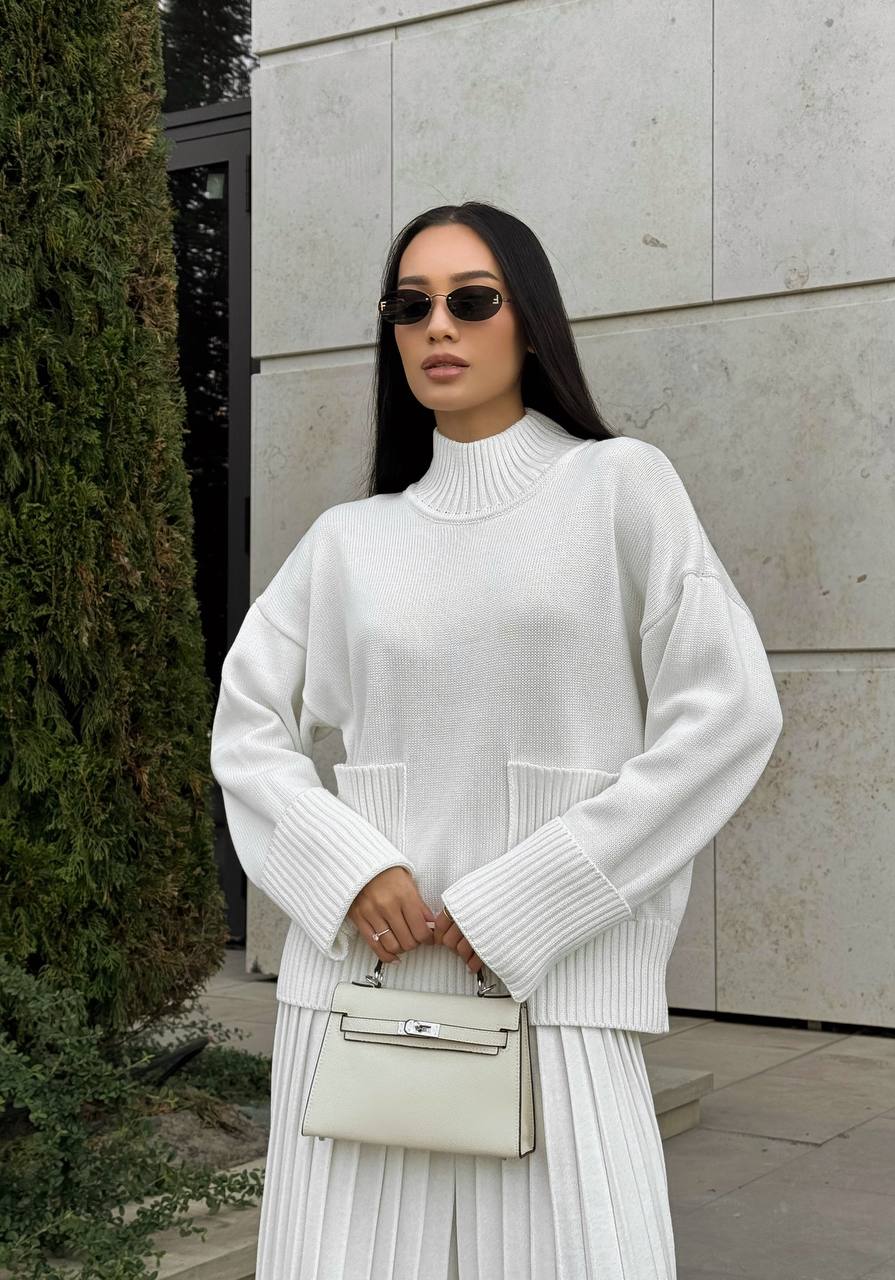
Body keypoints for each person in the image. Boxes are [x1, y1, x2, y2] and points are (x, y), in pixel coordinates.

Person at [209, 201, 784, 1278]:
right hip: (361, 998)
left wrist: (536, 894)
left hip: (556, 995)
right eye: (411, 305)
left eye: (471, 300)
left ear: (529, 321)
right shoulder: (350, 542)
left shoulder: (621, 487)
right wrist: (346, 866)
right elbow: (245, 727)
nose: (439, 327)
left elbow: (730, 707)